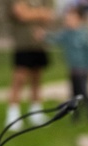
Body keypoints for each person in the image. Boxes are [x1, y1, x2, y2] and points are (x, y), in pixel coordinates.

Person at [4, 0, 54, 130]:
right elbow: (21, 14)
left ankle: (36, 113)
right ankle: (13, 115)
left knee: (37, 79)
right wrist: (39, 13)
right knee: (19, 80)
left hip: (39, 44)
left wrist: (32, 13)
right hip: (23, 45)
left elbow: (49, 14)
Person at [46, 4, 88, 122]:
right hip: (73, 69)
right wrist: (44, 36)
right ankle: (76, 116)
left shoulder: (84, 33)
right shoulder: (67, 34)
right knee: (73, 94)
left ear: (79, 19)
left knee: (84, 93)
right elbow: (55, 39)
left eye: (71, 17)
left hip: (83, 69)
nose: (68, 20)